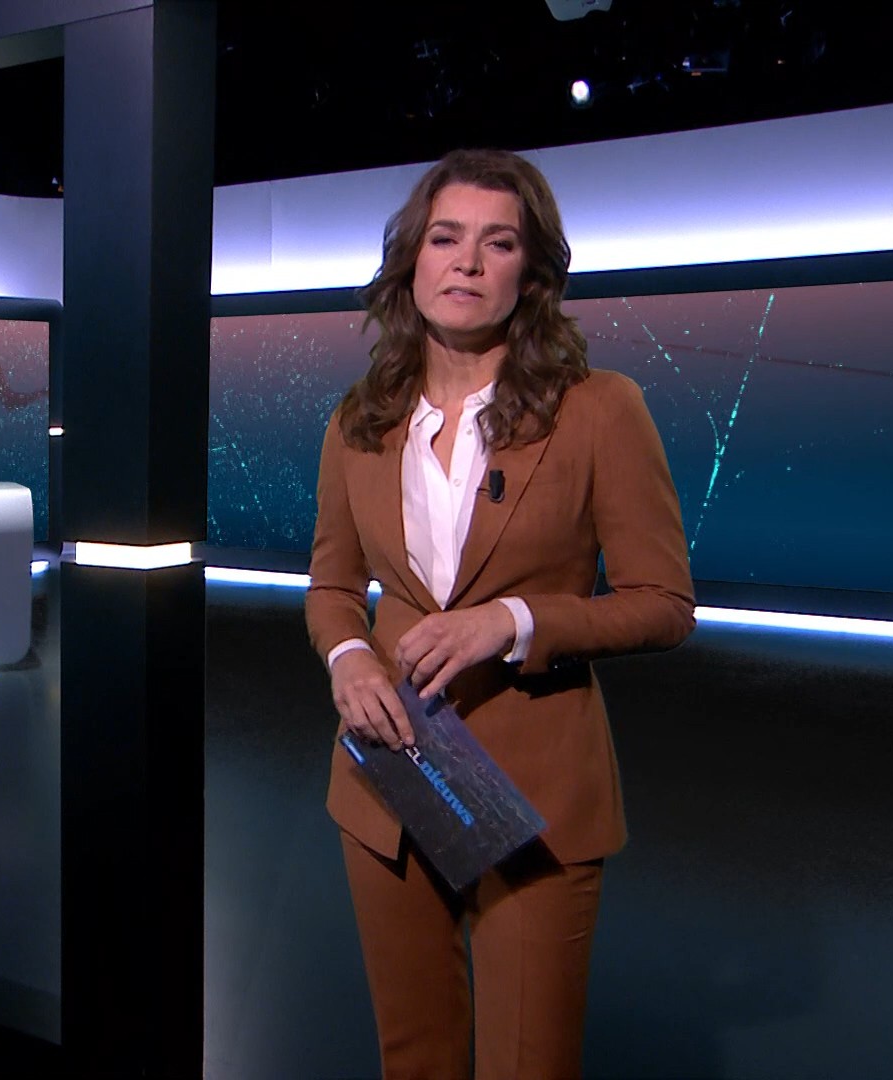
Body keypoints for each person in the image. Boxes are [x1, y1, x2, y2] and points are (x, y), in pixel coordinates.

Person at [305, 148, 696, 1079]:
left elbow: (664, 604)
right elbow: (331, 586)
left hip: (536, 801)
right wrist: (348, 658)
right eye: (446, 238)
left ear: (532, 271)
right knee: (415, 1060)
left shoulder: (600, 410)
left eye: (499, 243)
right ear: (413, 260)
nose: (468, 263)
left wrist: (514, 621)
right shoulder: (360, 420)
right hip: (391, 778)